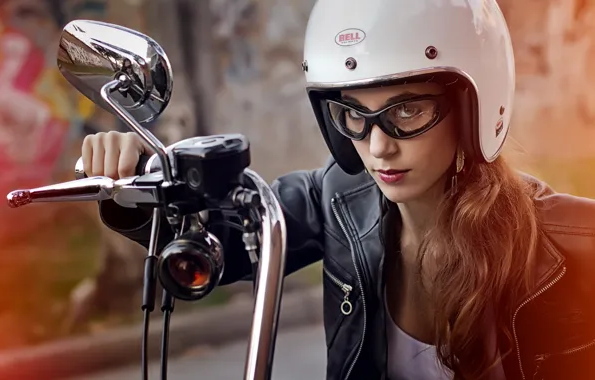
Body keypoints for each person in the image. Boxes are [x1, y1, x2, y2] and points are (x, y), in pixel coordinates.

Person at [80, 0, 595, 379]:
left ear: (471, 105)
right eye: (354, 113)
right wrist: (133, 181)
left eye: (406, 111)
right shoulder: (337, 197)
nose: (378, 147)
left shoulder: (569, 247)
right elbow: (225, 244)